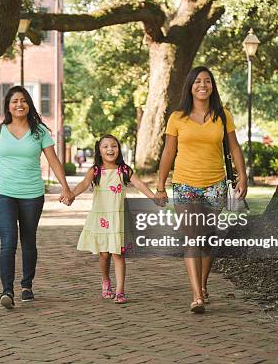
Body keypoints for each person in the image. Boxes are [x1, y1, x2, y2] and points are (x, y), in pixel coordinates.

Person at [155, 66, 247, 313]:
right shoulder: (177, 117)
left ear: (212, 86)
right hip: (185, 184)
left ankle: (203, 286)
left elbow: (234, 148)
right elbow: (168, 152)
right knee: (192, 238)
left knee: (208, 240)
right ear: (190, 86)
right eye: (197, 81)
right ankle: (196, 295)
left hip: (215, 185)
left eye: (207, 81)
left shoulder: (222, 115)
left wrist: (243, 176)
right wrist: (160, 183)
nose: (203, 85)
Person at [0, 86, 74, 309]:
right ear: (8, 106)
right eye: (14, 101)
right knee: (9, 241)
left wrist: (65, 187)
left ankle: (27, 285)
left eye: (23, 100)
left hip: (32, 194)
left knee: (28, 240)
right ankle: (7, 291)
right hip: (4, 193)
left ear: (29, 104)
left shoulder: (39, 131)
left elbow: (53, 160)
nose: (19, 104)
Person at [70, 134, 155, 304]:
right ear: (99, 151)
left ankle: (120, 290)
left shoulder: (124, 170)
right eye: (105, 146)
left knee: (118, 254)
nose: (110, 149)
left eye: (114, 146)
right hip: (101, 218)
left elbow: (139, 184)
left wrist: (154, 198)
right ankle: (105, 280)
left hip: (118, 218)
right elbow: (83, 184)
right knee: (104, 254)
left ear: (119, 149)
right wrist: (71, 195)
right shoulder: (95, 171)